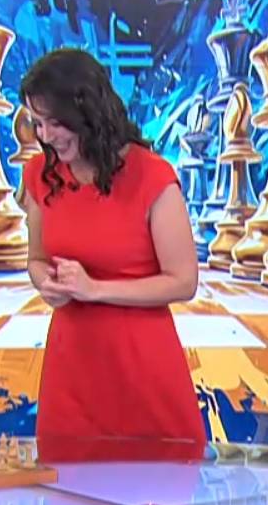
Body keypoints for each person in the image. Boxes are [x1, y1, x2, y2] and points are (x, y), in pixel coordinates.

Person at [17, 47, 208, 460]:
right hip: (72, 369)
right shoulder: (39, 175)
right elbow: (35, 259)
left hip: (141, 366)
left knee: (156, 488)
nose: (45, 136)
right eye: (37, 123)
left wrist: (95, 289)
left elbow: (183, 281)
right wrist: (46, 283)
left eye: (55, 122)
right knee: (70, 488)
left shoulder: (152, 176)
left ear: (87, 112)